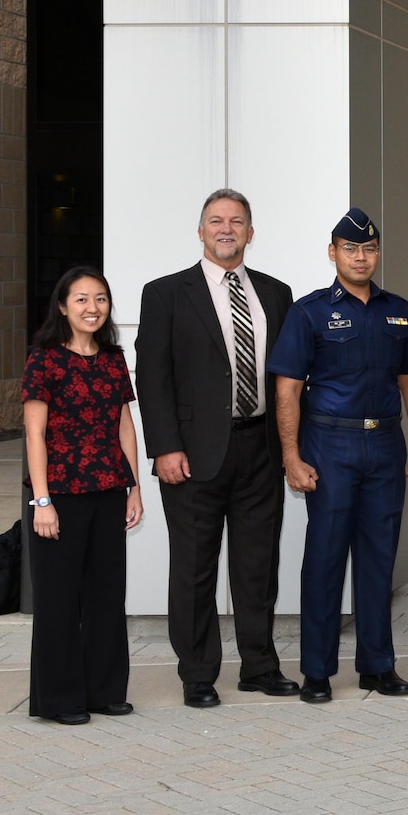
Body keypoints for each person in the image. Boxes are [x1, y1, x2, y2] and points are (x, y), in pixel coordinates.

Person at [135, 188, 299, 708]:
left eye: (236, 221)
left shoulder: (276, 293)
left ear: (251, 232)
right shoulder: (165, 294)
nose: (226, 229)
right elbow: (153, 377)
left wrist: (291, 450)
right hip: (192, 455)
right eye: (215, 221)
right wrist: (163, 447)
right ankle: (198, 673)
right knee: (194, 568)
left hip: (259, 449)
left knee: (257, 566)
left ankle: (259, 666)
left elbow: (287, 381)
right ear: (200, 230)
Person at [268, 209, 408, 704]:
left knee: (379, 560)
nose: (361, 257)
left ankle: (377, 666)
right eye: (351, 248)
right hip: (329, 444)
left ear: (378, 254)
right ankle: (316, 671)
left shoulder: (398, 310)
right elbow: (288, 389)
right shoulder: (309, 311)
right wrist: (291, 457)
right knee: (325, 558)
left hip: (384, 445)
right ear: (333, 252)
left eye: (369, 249)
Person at [21, 266, 145, 724]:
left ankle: (106, 691)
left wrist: (133, 488)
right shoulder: (45, 359)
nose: (92, 308)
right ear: (62, 306)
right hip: (59, 495)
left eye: (100, 299)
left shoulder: (113, 358)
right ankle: (59, 700)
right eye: (81, 299)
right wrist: (41, 500)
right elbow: (35, 434)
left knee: (107, 595)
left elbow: (124, 424)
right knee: (58, 599)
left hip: (109, 490)